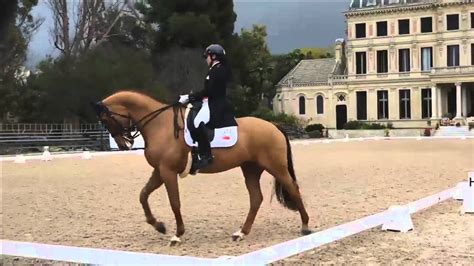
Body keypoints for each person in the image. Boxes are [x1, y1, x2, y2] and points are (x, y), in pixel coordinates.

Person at [178, 44, 233, 170]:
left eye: (207, 57)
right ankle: (196, 151)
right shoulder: (215, 69)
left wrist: (189, 97)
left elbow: (209, 91)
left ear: (213, 56)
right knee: (192, 116)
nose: (206, 59)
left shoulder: (218, 70)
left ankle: (207, 156)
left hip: (216, 104)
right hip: (210, 102)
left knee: (197, 122)